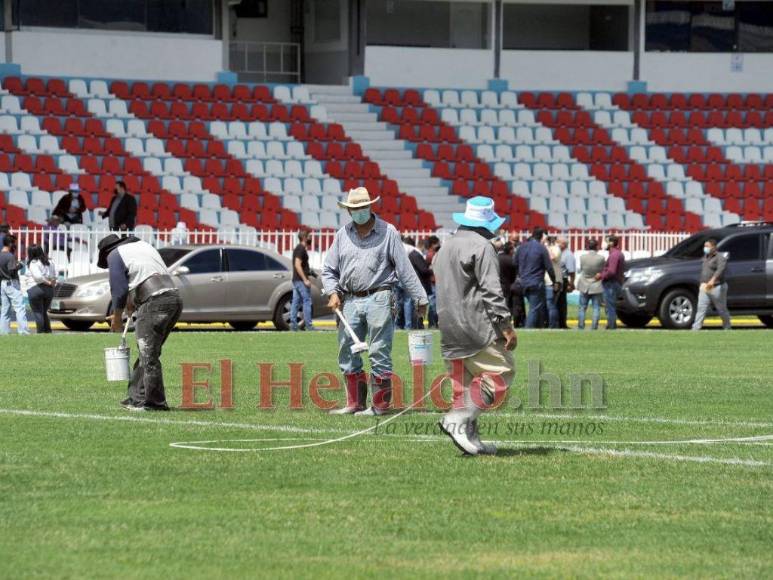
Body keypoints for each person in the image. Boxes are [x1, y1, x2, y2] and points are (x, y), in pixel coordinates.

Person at [322, 187, 428, 416]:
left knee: (379, 351)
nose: (359, 211)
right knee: (346, 351)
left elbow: (404, 268)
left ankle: (380, 406)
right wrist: (332, 292)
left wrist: (420, 297)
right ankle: (354, 403)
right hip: (349, 298)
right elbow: (329, 269)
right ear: (349, 210)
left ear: (370, 207)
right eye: (354, 208)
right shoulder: (342, 235)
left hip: (381, 296)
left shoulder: (388, 232)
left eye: (362, 207)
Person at [434, 196, 516, 455]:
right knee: (500, 375)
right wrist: (506, 325)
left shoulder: (445, 247)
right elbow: (492, 291)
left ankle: (471, 439)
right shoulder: (482, 246)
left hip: (448, 325)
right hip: (475, 325)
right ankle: (456, 420)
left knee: (465, 386)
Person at [98, 234, 182, 411]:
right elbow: (145, 276)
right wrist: (132, 303)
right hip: (173, 298)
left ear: (105, 253)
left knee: (148, 353)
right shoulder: (143, 246)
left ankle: (155, 403)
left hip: (155, 301)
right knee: (148, 351)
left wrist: (116, 319)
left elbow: (119, 290)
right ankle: (136, 397)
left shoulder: (114, 254)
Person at [515, 227, 558, 328]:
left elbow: (515, 263)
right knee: (534, 308)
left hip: (523, 281)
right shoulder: (541, 248)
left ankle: (538, 327)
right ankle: (529, 330)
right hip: (536, 281)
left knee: (535, 307)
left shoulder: (521, 247)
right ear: (542, 236)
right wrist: (554, 281)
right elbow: (549, 268)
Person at [692, 238, 731, 330]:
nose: (705, 248)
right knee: (701, 308)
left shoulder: (720, 257)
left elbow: (720, 270)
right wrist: (702, 283)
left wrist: (713, 280)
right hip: (705, 286)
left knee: (721, 309)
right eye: (705, 246)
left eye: (707, 246)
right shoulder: (705, 257)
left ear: (714, 247)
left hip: (717, 287)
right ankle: (696, 328)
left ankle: (727, 327)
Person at [0, 235, 30, 335]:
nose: (15, 245)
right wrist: (20, 265)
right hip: (11, 283)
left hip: (3, 283)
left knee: (5, 310)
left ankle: (4, 332)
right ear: (10, 244)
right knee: (20, 308)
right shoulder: (9, 256)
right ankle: (23, 331)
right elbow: (12, 270)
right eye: (13, 243)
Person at [26, 245, 57, 334]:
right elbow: (54, 276)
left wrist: (47, 282)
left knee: (38, 312)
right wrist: (51, 283)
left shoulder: (33, 262)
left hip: (36, 288)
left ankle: (40, 332)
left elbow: (38, 277)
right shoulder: (49, 262)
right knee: (44, 312)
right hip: (49, 290)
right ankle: (48, 331)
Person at [597, 234, 625, 330]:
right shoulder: (617, 254)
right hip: (614, 283)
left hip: (611, 284)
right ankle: (611, 324)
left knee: (610, 307)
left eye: (606, 241)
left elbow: (612, 271)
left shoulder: (614, 255)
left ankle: (611, 326)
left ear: (611, 243)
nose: (603, 243)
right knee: (610, 306)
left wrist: (601, 276)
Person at [576, 239, 605, 330]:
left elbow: (581, 269)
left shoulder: (582, 257)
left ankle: (581, 325)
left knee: (582, 307)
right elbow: (602, 270)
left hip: (584, 283)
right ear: (596, 247)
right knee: (596, 308)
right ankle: (594, 326)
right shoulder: (601, 258)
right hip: (596, 285)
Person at [404, 236, 432, 329]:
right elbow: (423, 270)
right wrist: (432, 270)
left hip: (414, 282)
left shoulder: (412, 254)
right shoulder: (416, 254)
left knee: (414, 305)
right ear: (423, 246)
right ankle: (417, 325)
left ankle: (414, 325)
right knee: (419, 306)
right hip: (419, 283)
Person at [290, 230, 315, 331]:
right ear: (304, 237)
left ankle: (293, 325)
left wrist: (309, 272)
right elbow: (297, 264)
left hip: (296, 280)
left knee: (296, 302)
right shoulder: (300, 249)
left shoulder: (299, 248)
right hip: (300, 280)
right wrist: (305, 279)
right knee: (307, 301)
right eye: (309, 236)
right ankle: (309, 325)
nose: (310, 238)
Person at [544, 236, 562, 329]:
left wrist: (547, 248)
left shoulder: (556, 249)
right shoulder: (546, 248)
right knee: (548, 305)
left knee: (551, 304)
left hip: (554, 281)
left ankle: (553, 325)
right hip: (547, 280)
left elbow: (553, 257)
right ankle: (548, 323)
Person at [557, 237, 576, 329]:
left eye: (558, 242)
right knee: (557, 303)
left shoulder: (568, 255)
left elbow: (571, 272)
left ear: (563, 244)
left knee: (561, 303)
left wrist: (571, 284)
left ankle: (562, 323)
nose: (557, 244)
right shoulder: (558, 253)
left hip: (563, 280)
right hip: (557, 279)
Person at [424, 235, 441, 328]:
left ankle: (433, 323)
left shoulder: (432, 254)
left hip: (435, 282)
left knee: (433, 304)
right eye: (437, 243)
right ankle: (433, 323)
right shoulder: (431, 254)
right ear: (433, 244)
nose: (439, 244)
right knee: (433, 304)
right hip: (434, 282)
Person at [498, 241, 516, 319]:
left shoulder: (497, 257)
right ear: (511, 250)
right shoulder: (511, 260)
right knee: (506, 306)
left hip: (496, 284)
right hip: (506, 285)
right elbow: (513, 276)